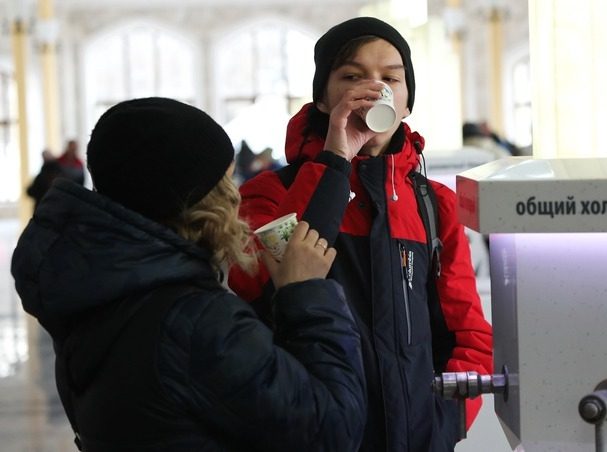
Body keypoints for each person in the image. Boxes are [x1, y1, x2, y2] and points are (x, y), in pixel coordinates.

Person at [11, 97, 366, 451]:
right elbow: (331, 430)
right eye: (226, 181)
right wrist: (306, 293)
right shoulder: (196, 322)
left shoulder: (97, 287)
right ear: (201, 200)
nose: (236, 199)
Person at [228, 17, 493, 451]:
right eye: (351, 77)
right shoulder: (269, 193)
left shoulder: (432, 203)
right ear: (321, 98)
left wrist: (447, 421)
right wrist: (335, 160)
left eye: (390, 78)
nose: (372, 88)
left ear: (406, 103)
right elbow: (251, 280)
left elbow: (470, 334)